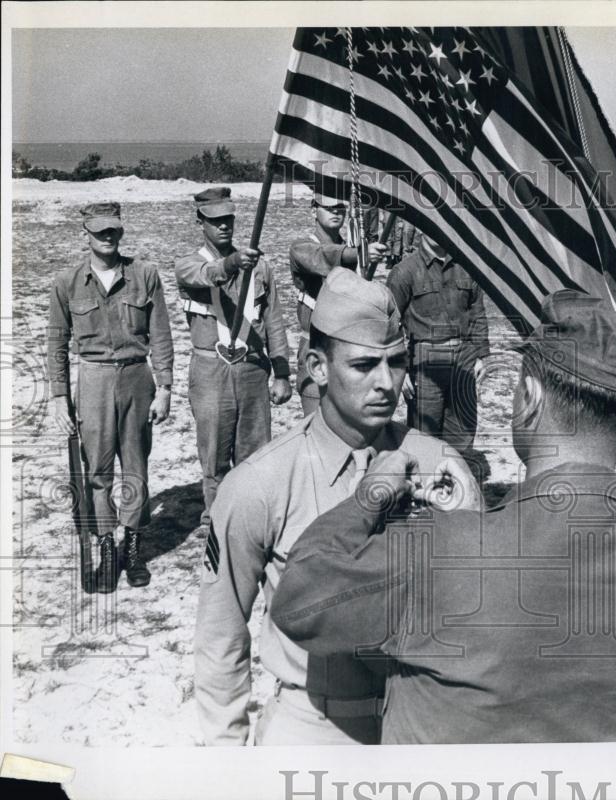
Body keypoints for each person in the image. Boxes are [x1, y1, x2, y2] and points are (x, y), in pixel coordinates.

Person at [271, 290, 616, 744]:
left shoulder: (443, 550)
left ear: (528, 399)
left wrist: (373, 493)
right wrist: (476, 524)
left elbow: (301, 602)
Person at [194, 267, 481, 746]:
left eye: (398, 362)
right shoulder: (261, 483)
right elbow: (221, 634)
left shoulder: (438, 465)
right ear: (317, 367)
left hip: (420, 718)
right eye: (364, 366)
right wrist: (225, 761)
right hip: (315, 724)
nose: (386, 384)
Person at [47, 202, 174, 591]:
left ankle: (133, 548)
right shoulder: (66, 282)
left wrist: (165, 387)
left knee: (135, 466)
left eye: (113, 229)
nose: (108, 236)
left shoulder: (145, 275)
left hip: (138, 379)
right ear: (85, 232)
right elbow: (56, 343)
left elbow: (161, 335)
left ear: (121, 231)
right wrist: (57, 396)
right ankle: (106, 547)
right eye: (100, 230)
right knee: (98, 471)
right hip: (94, 382)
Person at [174, 187, 292, 527]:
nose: (223, 227)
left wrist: (281, 372)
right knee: (214, 451)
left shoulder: (260, 268)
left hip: (253, 370)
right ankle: (216, 519)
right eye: (215, 221)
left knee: (255, 452)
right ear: (201, 222)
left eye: (228, 219)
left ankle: (252, 520)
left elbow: (274, 321)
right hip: (211, 372)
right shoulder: (189, 264)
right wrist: (231, 263)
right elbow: (204, 275)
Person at [386, 235, 490, 458]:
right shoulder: (404, 271)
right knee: (424, 436)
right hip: (425, 360)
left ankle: (456, 485)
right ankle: (423, 489)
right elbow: (389, 322)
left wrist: (482, 355)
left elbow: (477, 312)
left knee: (462, 433)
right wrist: (398, 367)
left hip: (465, 357)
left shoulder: (467, 266)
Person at [288, 192, 387, 415]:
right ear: (314, 210)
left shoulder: (353, 249)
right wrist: (359, 253)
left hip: (349, 347)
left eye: (340, 209)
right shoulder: (302, 247)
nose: (335, 213)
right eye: (329, 208)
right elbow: (323, 256)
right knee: (317, 426)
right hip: (316, 346)